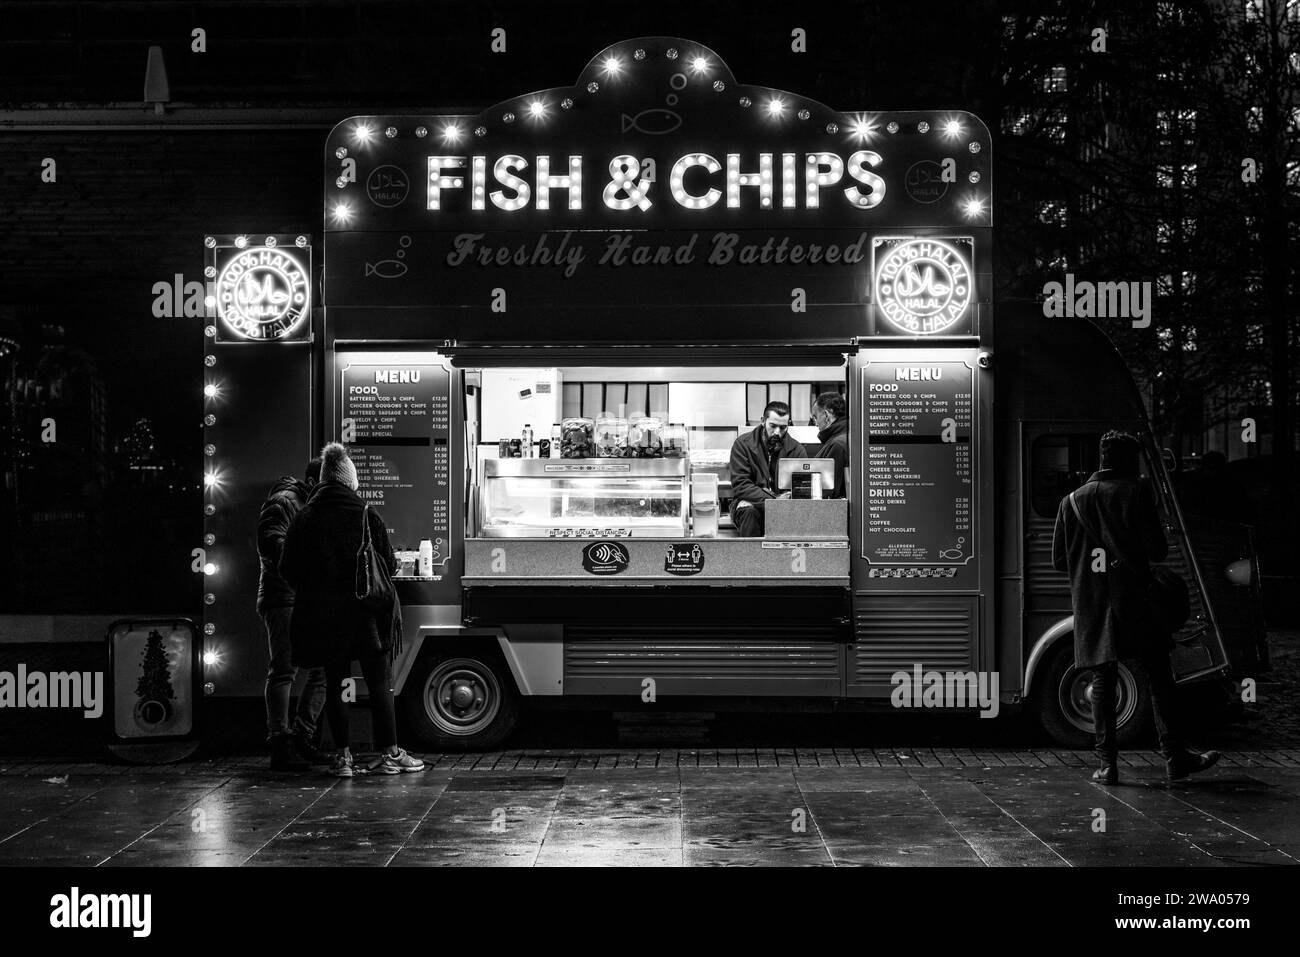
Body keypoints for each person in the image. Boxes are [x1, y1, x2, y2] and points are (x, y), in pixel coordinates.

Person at [1051, 430, 1219, 785]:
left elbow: (1058, 561)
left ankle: (1108, 765)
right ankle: (1175, 758)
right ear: (1127, 461)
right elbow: (1157, 550)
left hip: (1094, 603)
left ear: (1101, 458)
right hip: (1137, 601)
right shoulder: (1136, 493)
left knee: (1101, 680)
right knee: (1159, 677)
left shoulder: (1072, 501)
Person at [280, 442, 425, 778]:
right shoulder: (365, 514)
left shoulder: (305, 517)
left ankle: (342, 758)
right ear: (349, 480)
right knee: (378, 684)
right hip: (367, 618)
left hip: (325, 620)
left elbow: (288, 569)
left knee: (337, 684)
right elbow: (386, 564)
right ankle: (389, 753)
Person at [256, 457, 328, 771]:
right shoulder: (284, 502)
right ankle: (282, 741)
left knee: (320, 668)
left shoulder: (303, 503)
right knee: (284, 670)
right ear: (313, 482)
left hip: (299, 597)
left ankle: (299, 735)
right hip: (283, 597)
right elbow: (271, 544)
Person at [728, 401, 806, 537]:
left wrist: (787, 499)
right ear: (763, 421)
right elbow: (741, 485)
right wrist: (774, 501)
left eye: (783, 428)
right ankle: (751, 557)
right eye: (773, 426)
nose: (777, 432)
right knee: (750, 513)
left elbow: (802, 488)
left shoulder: (797, 450)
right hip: (751, 504)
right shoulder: (743, 445)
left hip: (785, 508)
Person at [811, 392, 849, 499]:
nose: (815, 422)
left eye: (815, 417)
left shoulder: (837, 445)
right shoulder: (851, 437)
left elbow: (828, 493)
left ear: (826, 415)